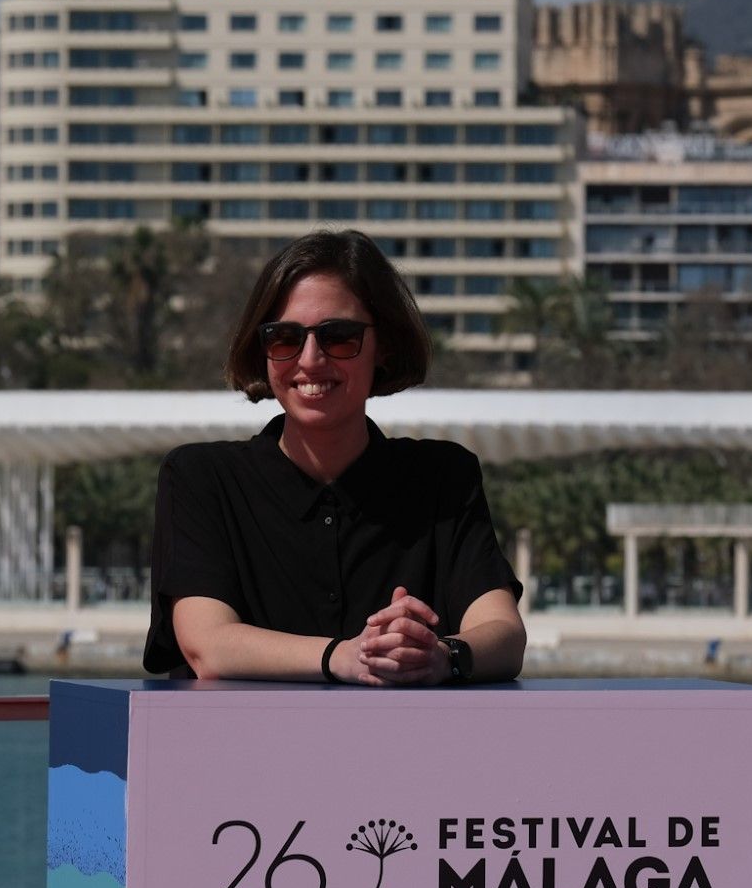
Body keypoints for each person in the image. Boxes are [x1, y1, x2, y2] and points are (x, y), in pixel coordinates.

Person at [142, 229, 526, 685]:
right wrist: (344, 657)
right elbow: (207, 644)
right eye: (284, 337)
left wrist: (443, 655)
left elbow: (505, 632)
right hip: (239, 754)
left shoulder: (446, 478)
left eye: (338, 337)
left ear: (383, 345)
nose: (310, 359)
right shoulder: (200, 478)